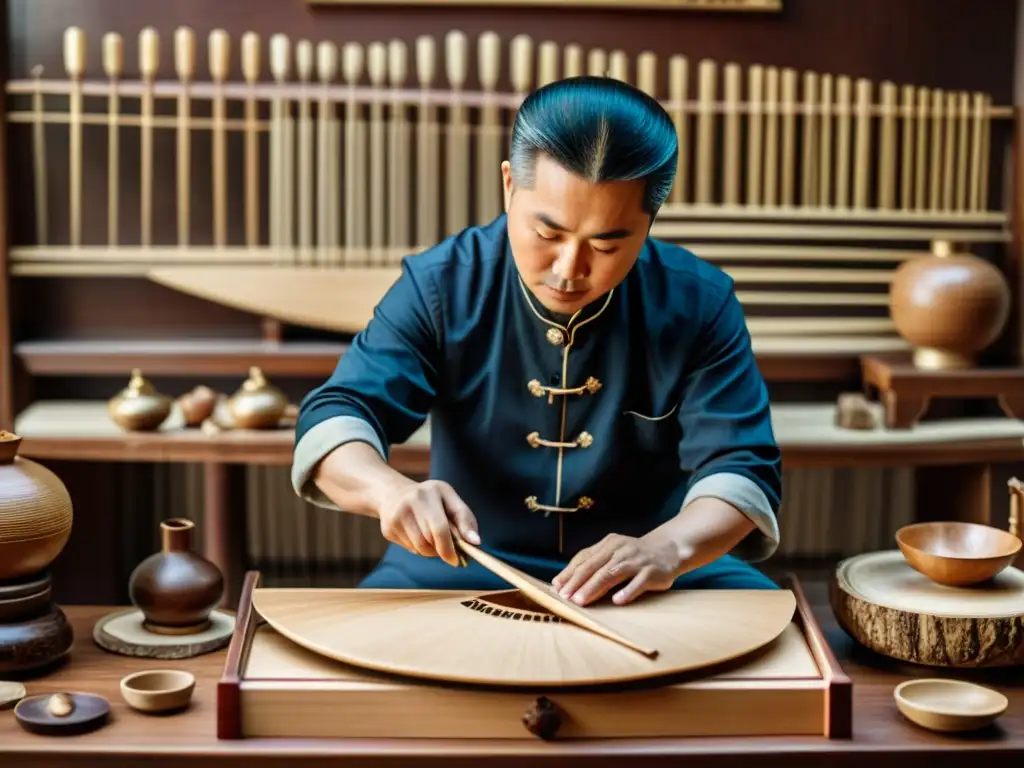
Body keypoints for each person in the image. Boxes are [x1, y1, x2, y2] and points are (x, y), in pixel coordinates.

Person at [291, 75, 782, 607]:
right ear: (509, 185)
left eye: (606, 244)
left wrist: (669, 547)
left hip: (657, 570)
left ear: (648, 222)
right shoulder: (443, 285)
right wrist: (391, 491)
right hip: (463, 563)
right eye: (548, 234)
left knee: (783, 653)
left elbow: (742, 467)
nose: (570, 270)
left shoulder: (699, 303)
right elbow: (338, 415)